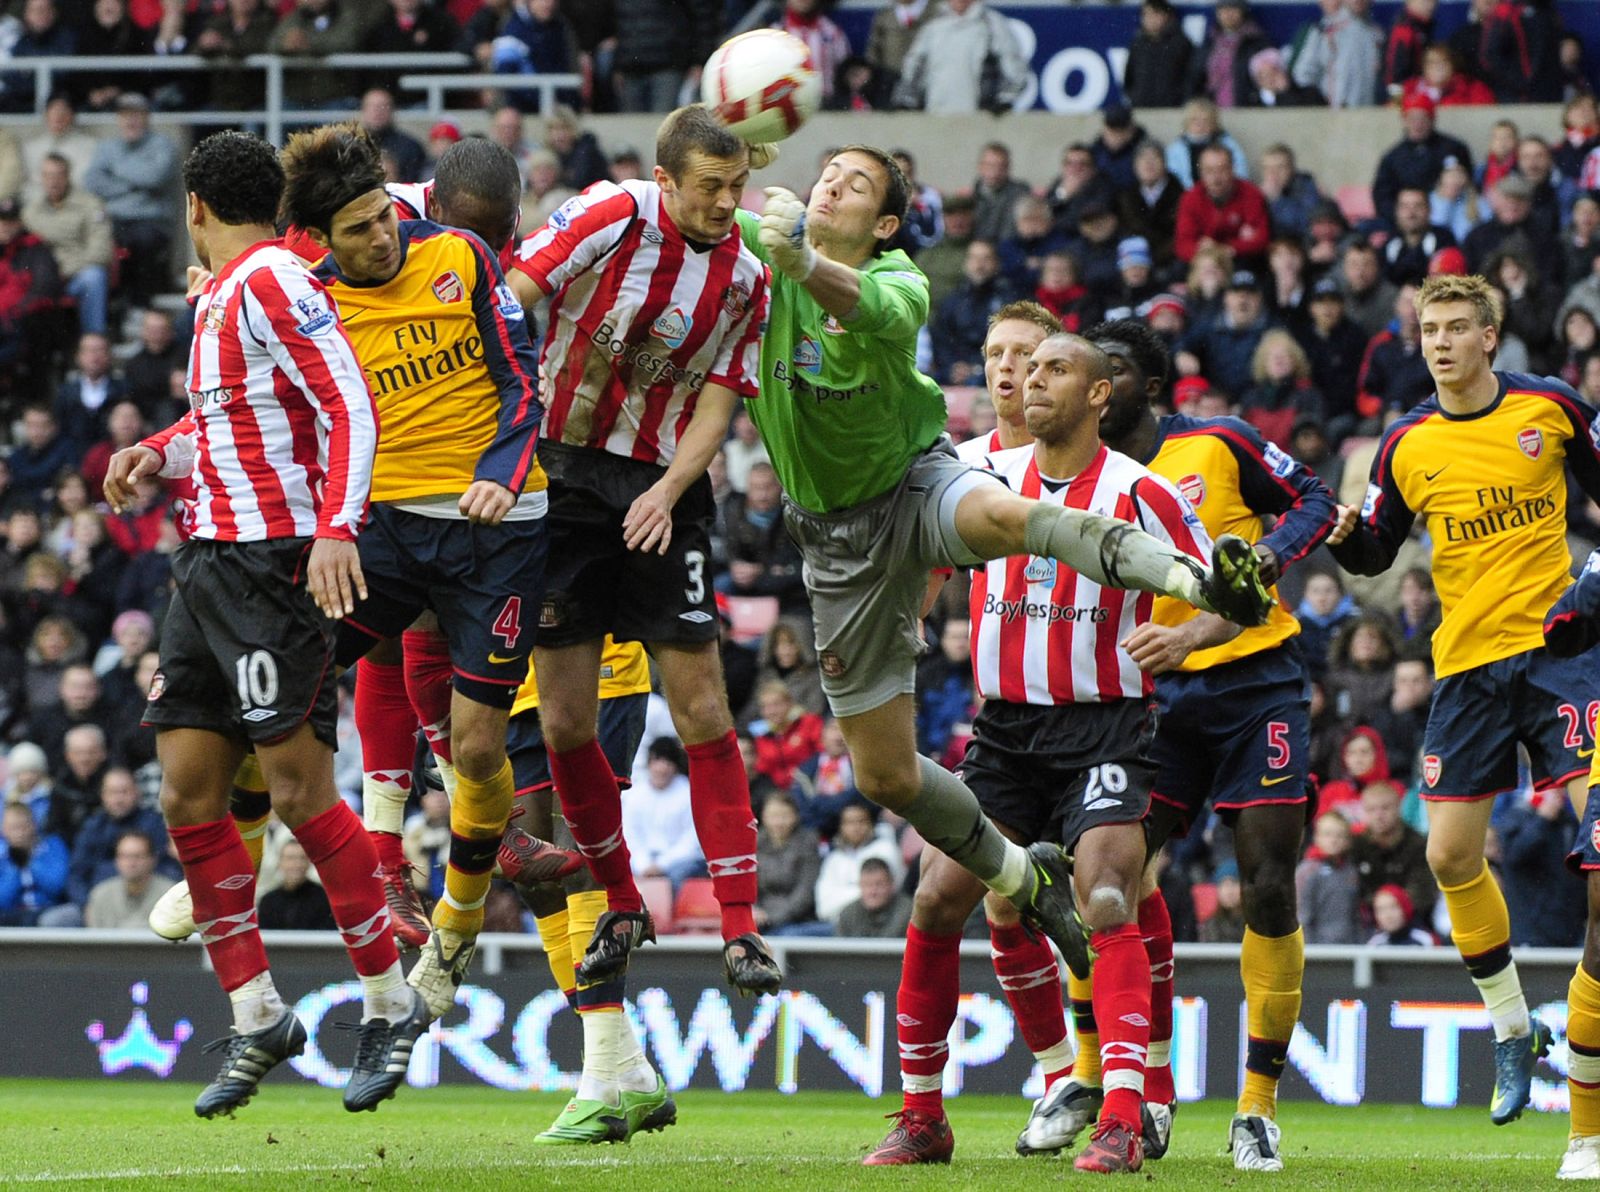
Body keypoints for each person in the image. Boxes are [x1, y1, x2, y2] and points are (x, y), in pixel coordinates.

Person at [742, 144, 1272, 1021]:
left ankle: (1133, 1082)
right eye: (997, 358)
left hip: (1091, 707)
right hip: (857, 568)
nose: (1012, 375)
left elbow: (864, 299)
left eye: (1035, 360)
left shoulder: (902, 284)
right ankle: (1046, 1054)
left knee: (1013, 517)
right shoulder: (769, 276)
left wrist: (1195, 611)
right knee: (886, 785)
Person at [99, 131, 419, 1117]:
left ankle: (387, 1000)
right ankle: (258, 1014)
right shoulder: (224, 295)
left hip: (273, 568)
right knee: (190, 795)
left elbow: (350, 404)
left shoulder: (275, 279)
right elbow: (230, 426)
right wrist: (158, 450)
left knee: (296, 792)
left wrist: (334, 530)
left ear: (194, 205)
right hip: (203, 570)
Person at [865, 327, 1222, 1175]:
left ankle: (1125, 1114)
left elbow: (1228, 590)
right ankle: (923, 1117)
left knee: (1105, 897)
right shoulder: (984, 480)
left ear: (1100, 395)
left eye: (1056, 369)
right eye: (1026, 369)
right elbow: (928, 555)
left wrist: (1187, 637)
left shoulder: (1141, 491)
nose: (1031, 380)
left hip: (1106, 727)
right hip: (1005, 732)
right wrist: (913, 607)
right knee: (938, 896)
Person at [504, 105, 778, 995]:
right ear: (666, 180)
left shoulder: (747, 274)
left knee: (703, 706)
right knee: (565, 725)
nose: (726, 203)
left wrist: (667, 490)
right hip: (562, 478)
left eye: (737, 186)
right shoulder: (609, 214)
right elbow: (513, 298)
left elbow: (717, 403)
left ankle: (741, 926)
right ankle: (622, 902)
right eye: (710, 187)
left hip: (665, 487)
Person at [281, 127, 546, 1023]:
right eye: (357, 229)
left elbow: (520, 379)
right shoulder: (310, 304)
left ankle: (457, 920)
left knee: (476, 746)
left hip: (496, 529)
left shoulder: (460, 256)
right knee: (286, 668)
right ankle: (265, 868)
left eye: (382, 217)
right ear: (322, 240)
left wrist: (501, 474)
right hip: (388, 528)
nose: (380, 237)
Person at [1329, 271, 1600, 1132]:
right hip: (1468, 670)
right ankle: (1515, 1029)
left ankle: (1587, 1052)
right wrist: (1343, 537)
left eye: (1455, 327)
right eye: (1427, 330)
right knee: (1448, 858)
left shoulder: (1550, 408)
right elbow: (1375, 553)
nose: (1438, 342)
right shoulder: (1405, 444)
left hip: (1561, 659)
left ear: (1491, 336)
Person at [1083, 316, 1336, 1171]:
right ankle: (1140, 1090)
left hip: (1256, 683)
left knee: (1266, 886)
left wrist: (1260, 561)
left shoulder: (1219, 443)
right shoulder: (1081, 478)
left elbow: (1318, 499)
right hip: (1147, 702)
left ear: (1148, 387)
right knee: (1105, 880)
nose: (1095, 384)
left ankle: (1257, 1108)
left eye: (1110, 370)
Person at [496, 636, 671, 1145]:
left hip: (600, 670)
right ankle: (633, 1073)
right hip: (517, 685)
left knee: (583, 858)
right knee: (533, 874)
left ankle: (601, 1089)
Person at [82, 94, 177, 307]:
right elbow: (92, 181)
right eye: (125, 115)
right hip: (114, 219)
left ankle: (141, 307)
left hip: (150, 221)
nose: (131, 121)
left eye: (137, 115)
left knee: (140, 241)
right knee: (100, 242)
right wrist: (134, 185)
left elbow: (155, 177)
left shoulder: (162, 144)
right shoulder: (108, 146)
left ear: (147, 117)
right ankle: (115, 310)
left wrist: (115, 171)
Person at [22, 153, 112, 336]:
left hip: (75, 275)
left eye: (58, 175)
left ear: (68, 176)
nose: (53, 181)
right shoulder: (30, 212)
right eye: (47, 175)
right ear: (41, 178)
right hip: (40, 278)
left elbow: (101, 250)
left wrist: (65, 270)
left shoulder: (90, 205)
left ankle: (93, 339)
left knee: (93, 278)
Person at [892, 0, 1027, 115]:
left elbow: (1013, 65)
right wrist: (907, 99)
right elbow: (914, 66)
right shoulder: (933, 26)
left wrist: (1003, 99)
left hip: (979, 114)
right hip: (936, 112)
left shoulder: (991, 24)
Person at [1371, 93, 1474, 226]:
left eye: (1422, 118)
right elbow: (1382, 197)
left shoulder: (1454, 148)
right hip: (1405, 224)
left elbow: (1470, 186)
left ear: (1432, 120)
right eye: (1412, 119)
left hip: (1450, 218)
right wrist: (1403, 217)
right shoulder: (1392, 157)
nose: (1417, 124)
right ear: (1404, 121)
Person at [1174, 144, 1270, 270]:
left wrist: (1225, 248)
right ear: (1201, 172)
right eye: (1209, 171)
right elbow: (1182, 244)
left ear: (1232, 169)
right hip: (1202, 261)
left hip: (1239, 259)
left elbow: (1261, 239)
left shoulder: (1251, 194)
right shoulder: (1190, 198)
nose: (1216, 178)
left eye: (1222, 170)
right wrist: (1209, 253)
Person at [84, 829, 175, 929]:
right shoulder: (101, 894)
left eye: (138, 856)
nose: (131, 862)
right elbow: (95, 938)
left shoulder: (171, 894)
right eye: (124, 856)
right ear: (116, 860)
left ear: (152, 859)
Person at [1296, 812, 1361, 944]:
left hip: (1350, 946)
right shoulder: (1307, 871)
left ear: (1348, 841)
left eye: (1340, 835)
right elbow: (1302, 916)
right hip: (1318, 948)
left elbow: (1356, 914)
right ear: (1316, 838)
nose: (1334, 840)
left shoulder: (1351, 871)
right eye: (1327, 834)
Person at [1121, 0, 1191, 110]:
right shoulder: (1138, 43)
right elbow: (1129, 76)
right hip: (1141, 107)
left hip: (1171, 109)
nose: (1150, 19)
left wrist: (1179, 99)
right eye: (1146, 14)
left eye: (1155, 13)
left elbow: (1190, 77)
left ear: (1167, 16)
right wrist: (1135, 97)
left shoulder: (1181, 44)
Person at [257, 839, 336, 931]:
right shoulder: (268, 901)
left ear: (309, 862)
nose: (297, 864)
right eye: (290, 858)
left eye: (302, 858)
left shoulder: (324, 899)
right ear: (280, 862)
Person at [836, 856, 912, 939]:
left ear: (891, 884)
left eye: (879, 884)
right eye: (867, 885)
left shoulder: (909, 913)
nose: (873, 892)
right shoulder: (848, 915)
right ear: (860, 885)